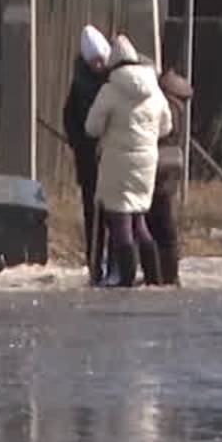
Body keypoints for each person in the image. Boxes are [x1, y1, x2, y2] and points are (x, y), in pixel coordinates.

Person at [83, 34, 170, 288]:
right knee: (139, 219)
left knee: (121, 220)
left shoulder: (110, 90)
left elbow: (92, 127)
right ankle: (154, 276)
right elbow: (166, 126)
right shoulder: (153, 88)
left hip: (117, 160)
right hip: (146, 161)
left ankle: (127, 277)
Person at [61, 26, 113, 277]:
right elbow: (69, 118)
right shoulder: (79, 85)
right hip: (89, 157)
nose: (98, 65)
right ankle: (94, 264)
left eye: (101, 60)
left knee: (115, 212)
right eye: (94, 61)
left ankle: (115, 264)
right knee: (93, 213)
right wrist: (78, 141)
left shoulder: (114, 80)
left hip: (113, 156)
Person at [143, 65, 194, 287]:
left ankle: (163, 274)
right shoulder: (178, 108)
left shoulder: (166, 108)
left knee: (160, 224)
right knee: (164, 223)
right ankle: (167, 273)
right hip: (171, 169)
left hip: (158, 168)